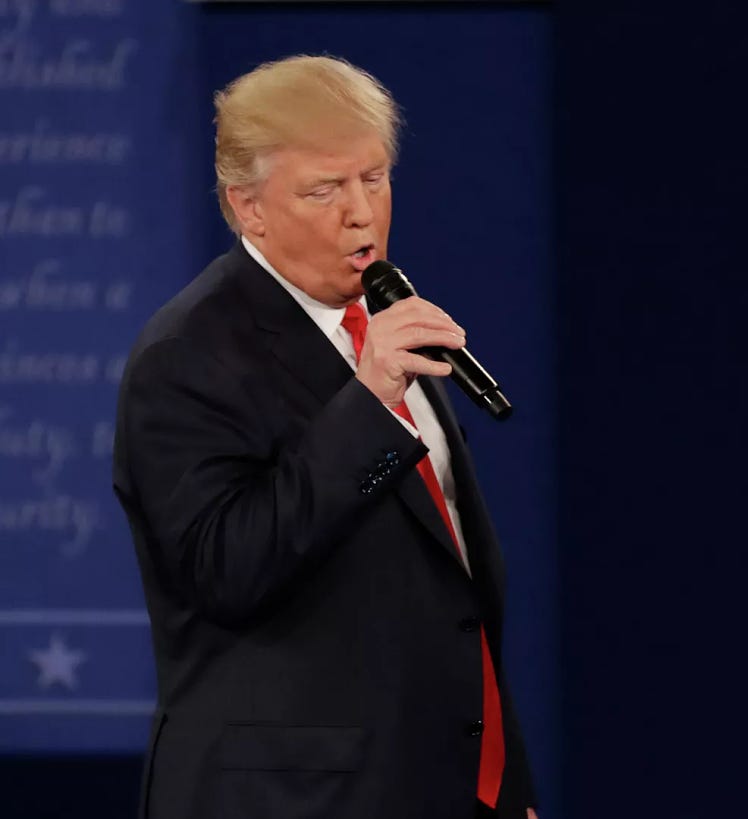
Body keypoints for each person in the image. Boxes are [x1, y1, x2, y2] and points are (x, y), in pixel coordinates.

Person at [112, 55, 537, 819]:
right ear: (249, 209)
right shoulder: (185, 355)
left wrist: (507, 791)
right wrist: (371, 400)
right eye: (324, 190)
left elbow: (453, 591)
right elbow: (228, 569)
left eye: (374, 179)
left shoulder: (378, 319)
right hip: (288, 798)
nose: (362, 213)